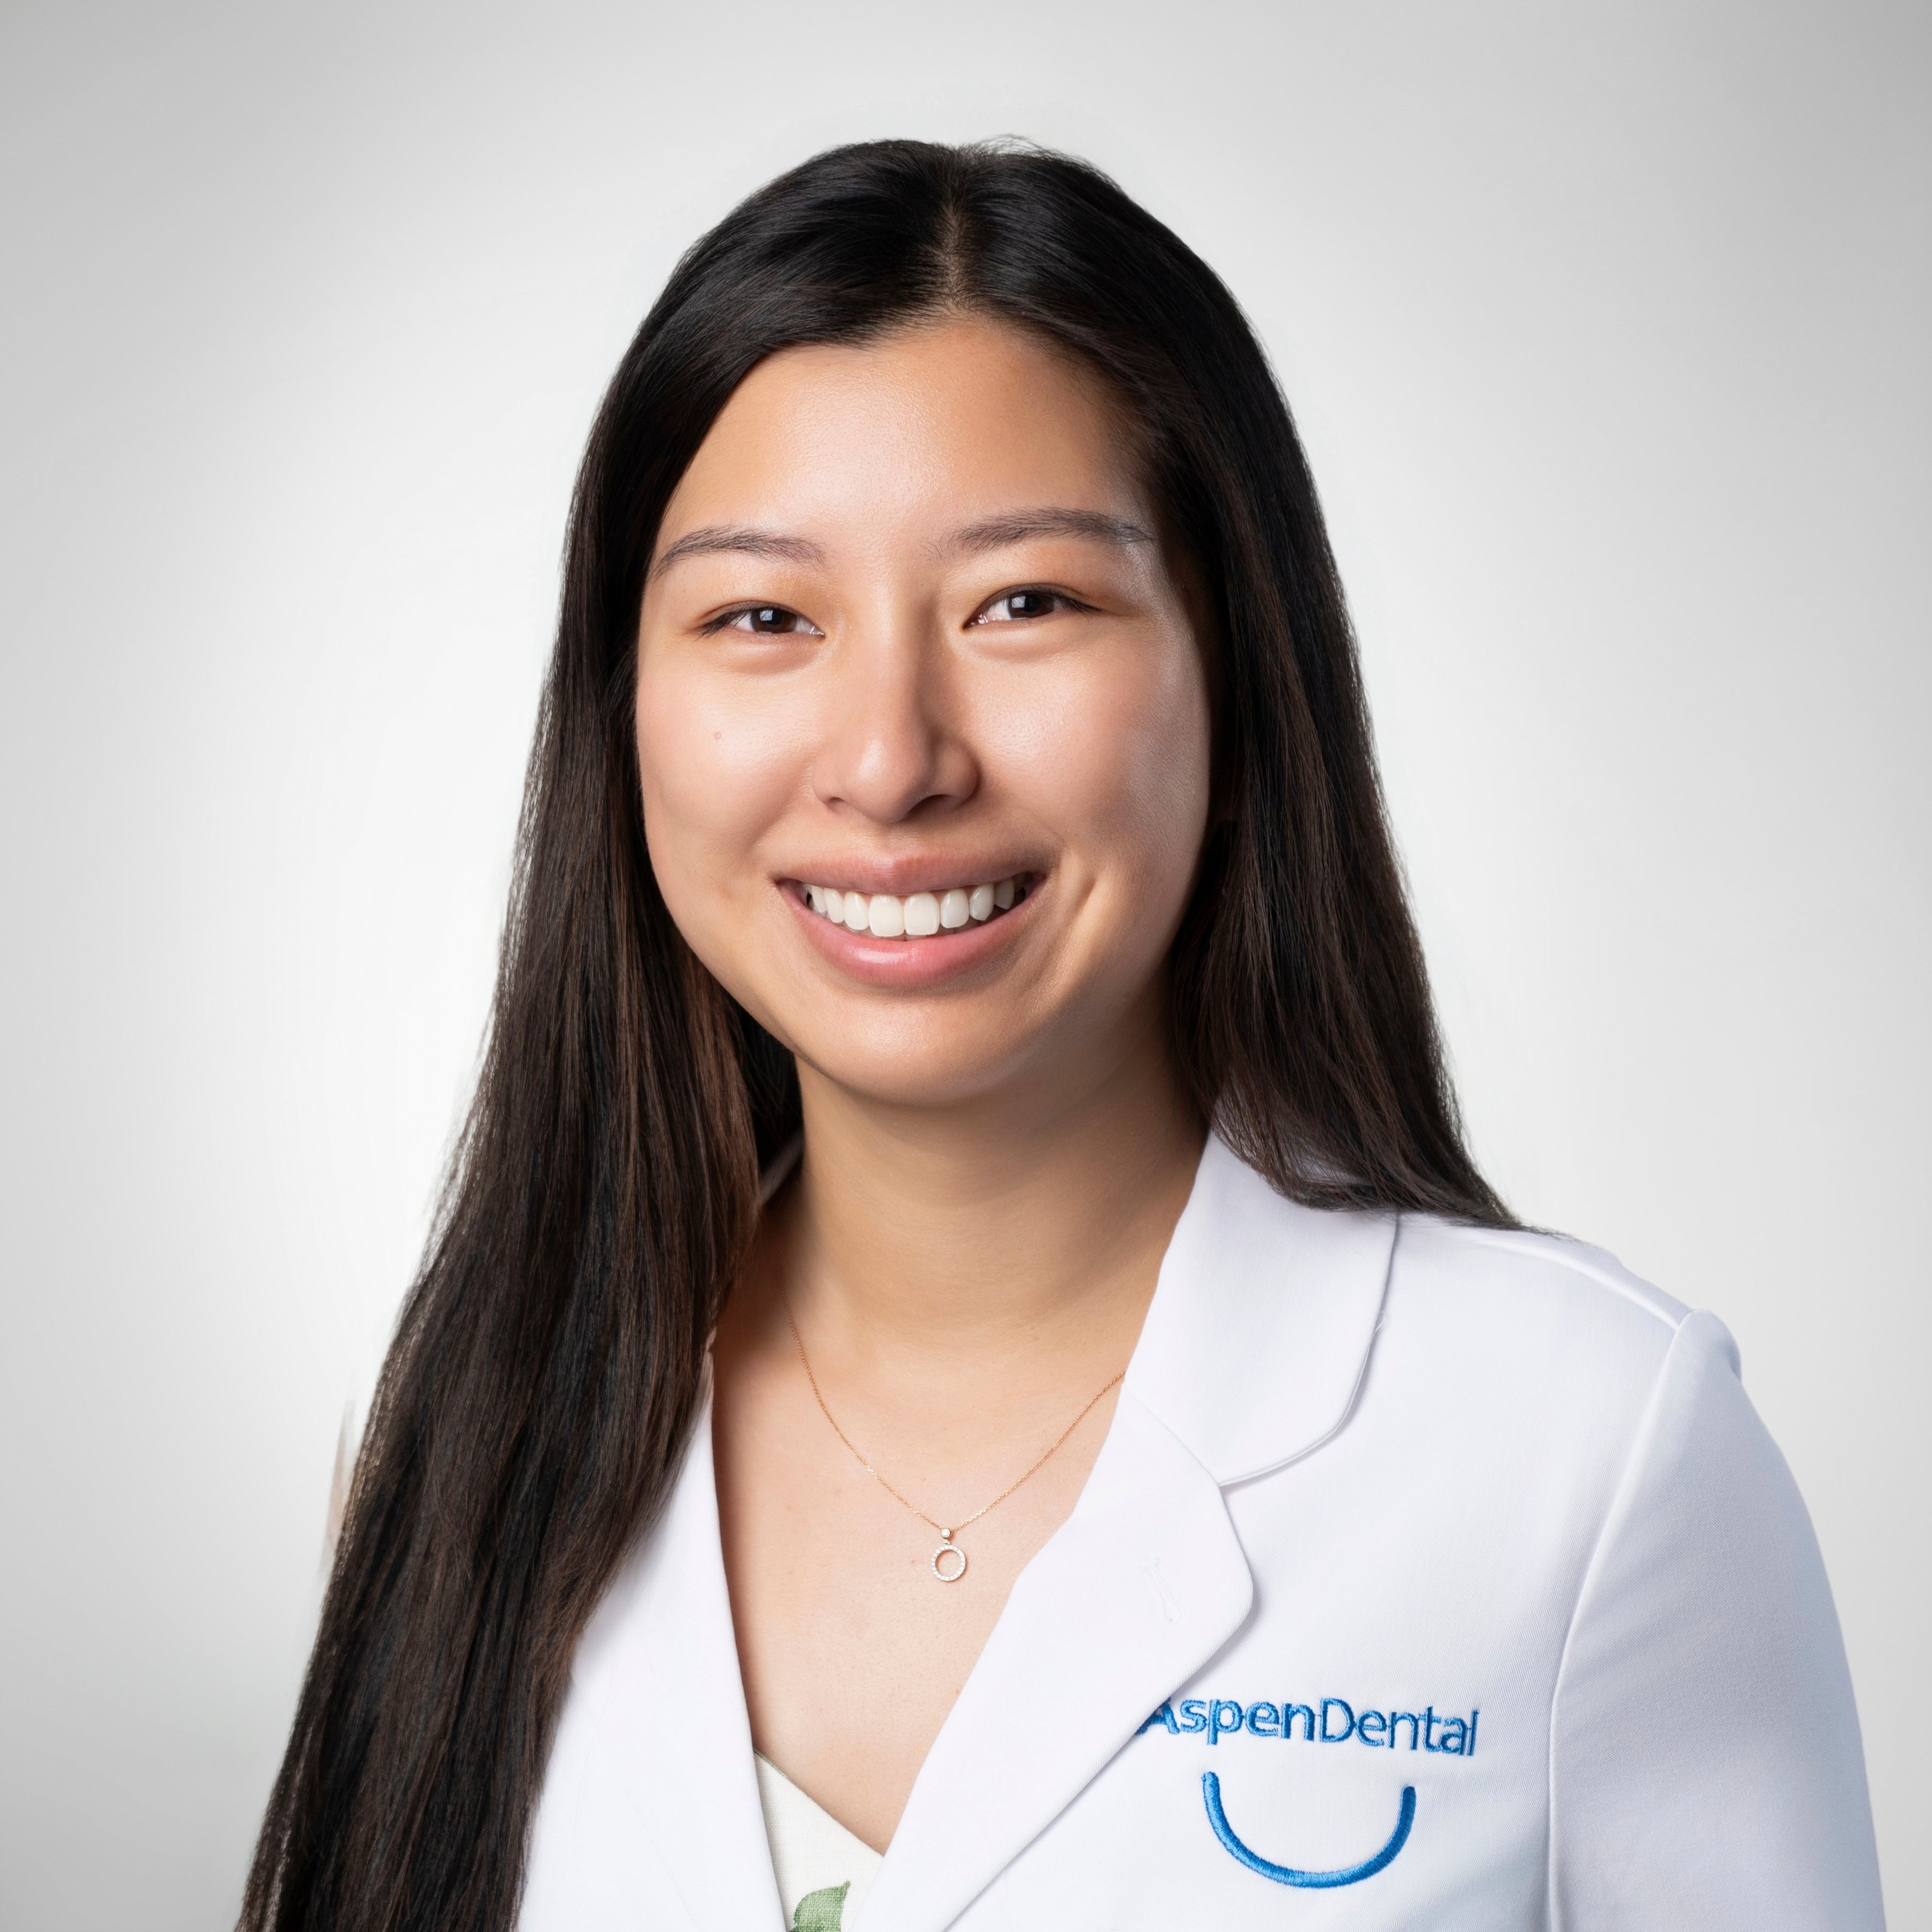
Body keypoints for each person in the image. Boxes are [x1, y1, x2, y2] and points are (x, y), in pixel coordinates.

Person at [241, 141, 1883, 1932]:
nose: (891, 761)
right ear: (623, 708)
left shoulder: (1595, 1452)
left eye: (1025, 603)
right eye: (763, 617)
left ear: (1238, 680)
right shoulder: (465, 1445)